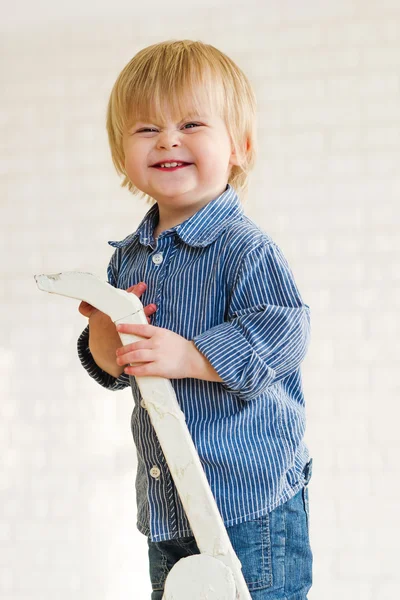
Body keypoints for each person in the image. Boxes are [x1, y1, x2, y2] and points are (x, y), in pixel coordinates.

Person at [77, 39, 313, 599]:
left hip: (247, 502)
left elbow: (285, 332)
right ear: (121, 154)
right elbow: (121, 366)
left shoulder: (244, 249)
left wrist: (192, 355)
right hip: (168, 501)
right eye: (145, 129)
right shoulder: (127, 258)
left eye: (191, 123)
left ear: (240, 146)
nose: (168, 140)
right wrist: (106, 346)